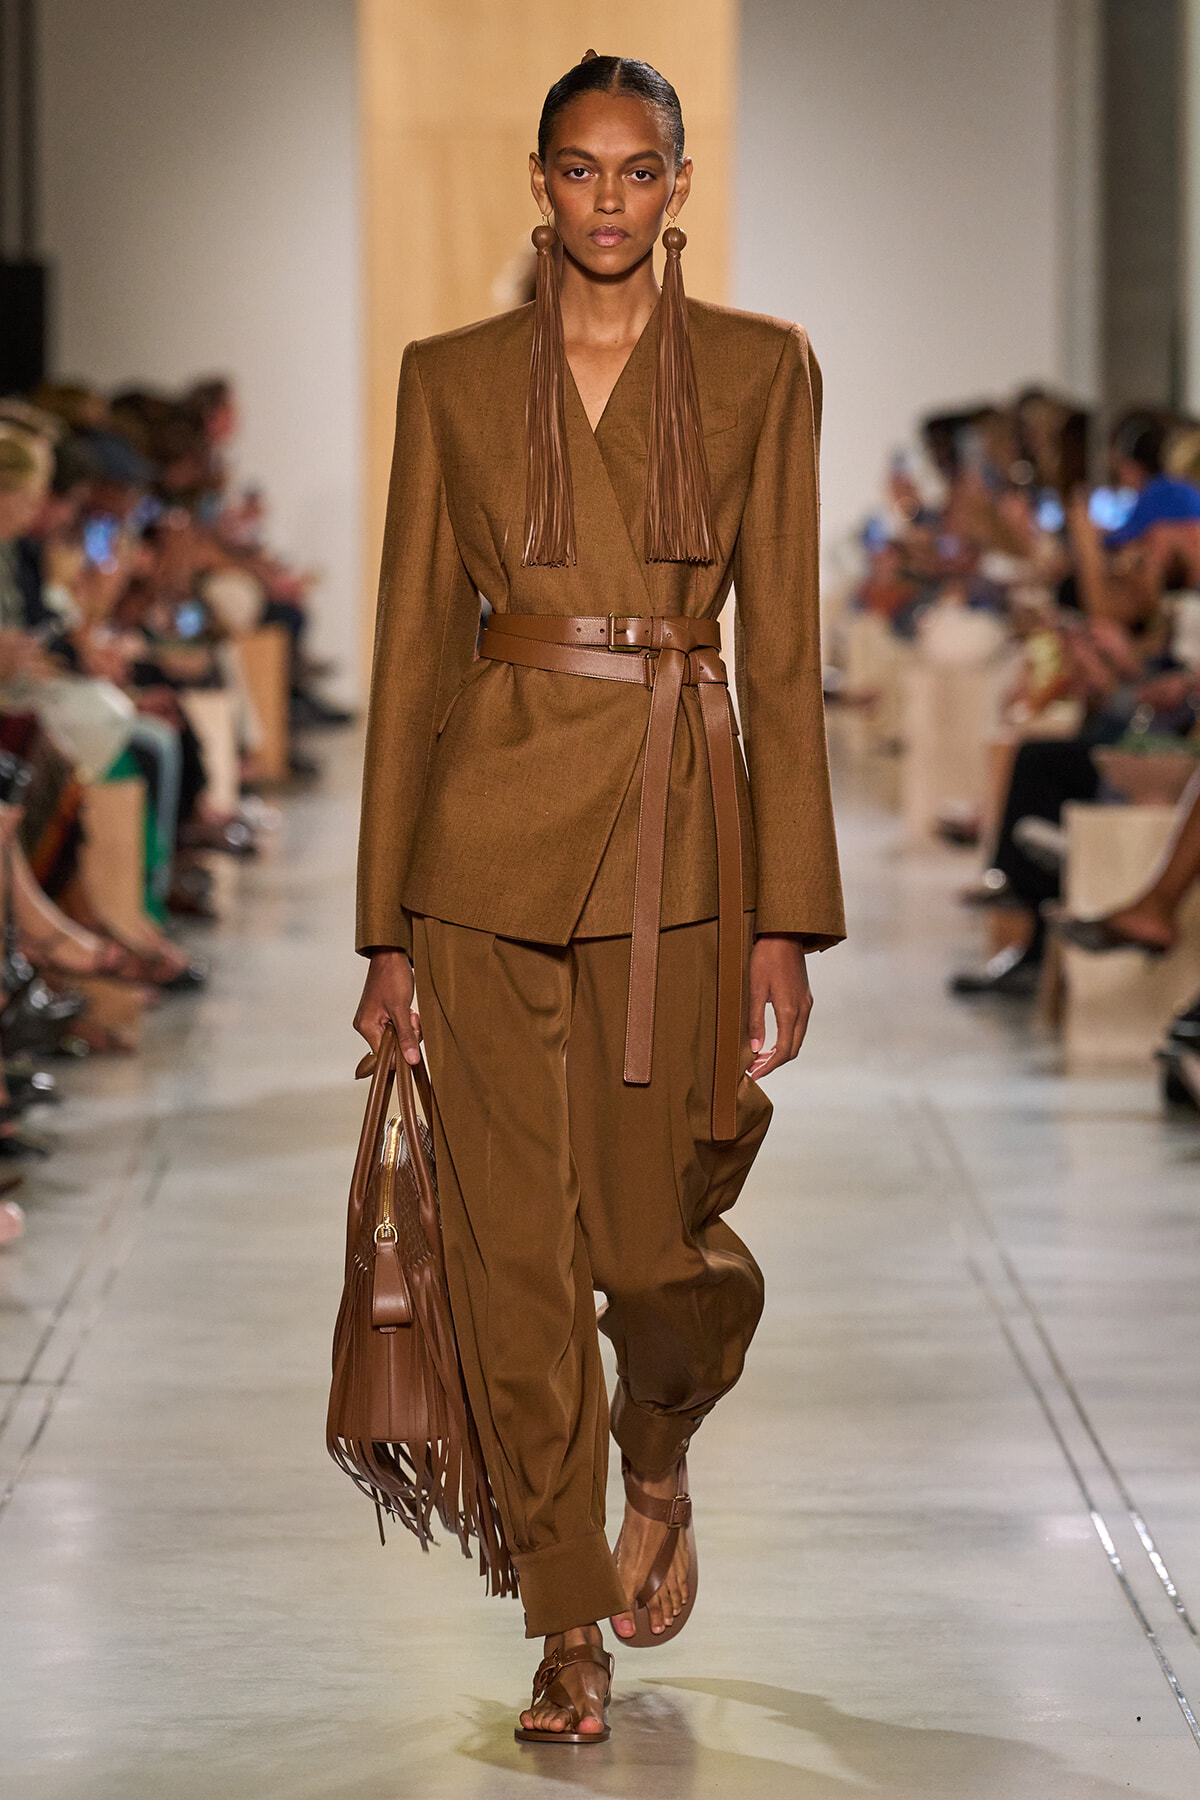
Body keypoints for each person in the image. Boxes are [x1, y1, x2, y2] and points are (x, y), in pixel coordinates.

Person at [352, 52, 843, 1746]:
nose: (610, 198)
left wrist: (786, 917)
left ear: (679, 185)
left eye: (640, 170)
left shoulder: (764, 370)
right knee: (512, 1255)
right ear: (541, 184)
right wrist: (384, 928)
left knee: (652, 1245)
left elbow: (784, 651)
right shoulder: (452, 378)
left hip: (678, 842)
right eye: (581, 168)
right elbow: (413, 647)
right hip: (483, 851)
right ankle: (566, 1625)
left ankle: (661, 1442)